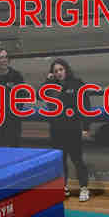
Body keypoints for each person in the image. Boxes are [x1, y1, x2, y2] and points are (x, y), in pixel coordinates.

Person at [44, 58, 91, 201]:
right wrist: (47, 81)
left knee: (77, 160)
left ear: (66, 69)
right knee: (60, 160)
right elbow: (40, 94)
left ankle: (84, 187)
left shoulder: (77, 83)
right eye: (55, 71)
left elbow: (86, 105)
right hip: (56, 129)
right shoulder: (51, 86)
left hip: (73, 128)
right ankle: (63, 187)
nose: (58, 73)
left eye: (61, 69)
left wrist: (86, 127)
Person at [0, 47, 27, 147]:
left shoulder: (16, 76)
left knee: (14, 149)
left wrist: (14, 112)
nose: (4, 60)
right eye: (1, 57)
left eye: (6, 57)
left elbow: (22, 97)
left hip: (13, 122)